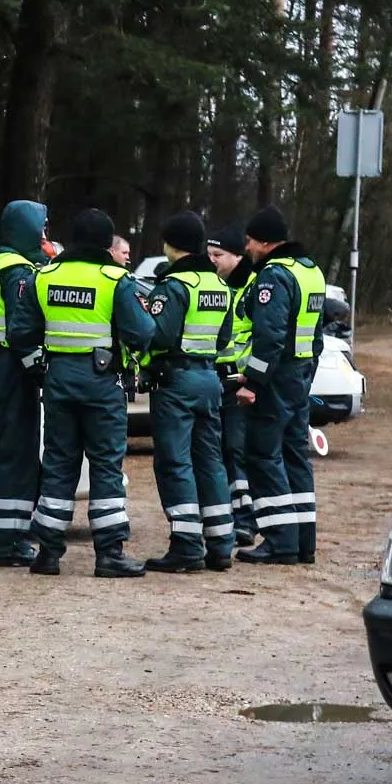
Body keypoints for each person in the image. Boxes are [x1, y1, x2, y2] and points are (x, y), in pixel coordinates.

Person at [10, 208, 156, 578]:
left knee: (58, 463)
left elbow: (21, 333)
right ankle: (109, 554)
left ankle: (47, 553)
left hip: (58, 379)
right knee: (106, 466)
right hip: (102, 383)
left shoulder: (45, 276)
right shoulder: (114, 279)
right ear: (108, 244)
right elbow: (143, 332)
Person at [140, 212, 235, 572]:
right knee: (210, 461)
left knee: (174, 462)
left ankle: (185, 546)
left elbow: (160, 335)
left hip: (176, 381)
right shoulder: (217, 286)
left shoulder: (174, 286)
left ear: (170, 245)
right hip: (209, 380)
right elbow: (223, 338)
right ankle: (221, 545)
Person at [234, 204, 327, 564]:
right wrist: (306, 375)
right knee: (294, 456)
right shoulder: (310, 271)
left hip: (275, 378)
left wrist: (253, 381)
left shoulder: (274, 276)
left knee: (263, 454)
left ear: (266, 242)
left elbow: (269, 337)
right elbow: (316, 336)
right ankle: (303, 542)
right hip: (299, 376)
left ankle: (280, 541)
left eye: (251, 242)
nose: (247, 249)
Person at [0, 199, 50, 566]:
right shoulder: (18, 270)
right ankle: (10, 542)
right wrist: (36, 365)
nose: (45, 235)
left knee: (3, 452)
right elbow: (21, 328)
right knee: (18, 457)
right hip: (13, 366)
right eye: (42, 228)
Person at [208, 221, 258, 543]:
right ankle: (228, 515)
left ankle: (246, 520)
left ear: (238, 257)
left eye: (218, 254)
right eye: (209, 254)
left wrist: (249, 377)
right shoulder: (217, 287)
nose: (211, 260)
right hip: (218, 383)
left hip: (242, 385)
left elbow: (264, 338)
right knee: (222, 452)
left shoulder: (254, 288)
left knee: (237, 451)